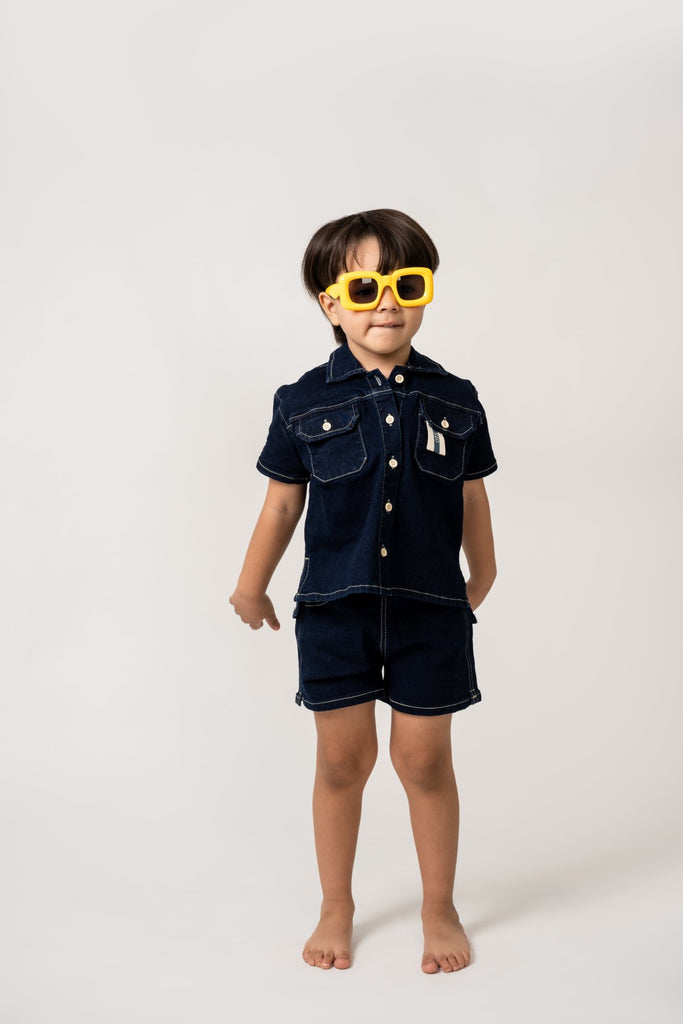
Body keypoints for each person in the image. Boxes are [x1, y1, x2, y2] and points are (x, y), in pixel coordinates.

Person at [230, 209, 497, 974]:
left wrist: (482, 572)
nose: (386, 303)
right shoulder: (301, 400)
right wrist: (250, 585)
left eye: (406, 285)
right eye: (363, 288)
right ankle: (335, 904)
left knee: (424, 762)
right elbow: (282, 506)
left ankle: (439, 906)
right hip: (334, 613)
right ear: (331, 303)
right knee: (341, 763)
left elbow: (471, 496)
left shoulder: (455, 397)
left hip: (430, 612)